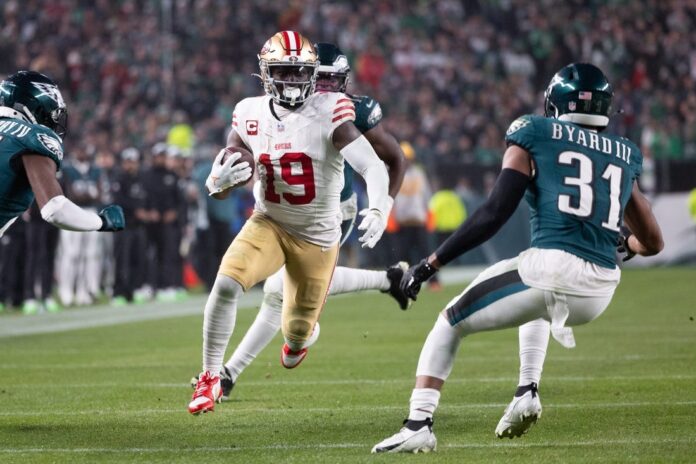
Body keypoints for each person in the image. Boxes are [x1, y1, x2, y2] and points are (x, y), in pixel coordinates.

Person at [372, 63, 664, 453]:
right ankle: (527, 390)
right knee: (534, 300)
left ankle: (418, 424)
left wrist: (430, 265)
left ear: (554, 102)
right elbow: (653, 241)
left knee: (450, 321)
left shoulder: (533, 131)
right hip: (600, 289)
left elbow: (494, 213)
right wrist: (628, 244)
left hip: (553, 268)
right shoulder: (624, 151)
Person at [188, 31, 392, 415]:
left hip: (317, 237)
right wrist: (217, 183)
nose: (293, 80)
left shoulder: (331, 110)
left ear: (313, 74)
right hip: (269, 222)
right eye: (284, 71)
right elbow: (222, 181)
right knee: (227, 282)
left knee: (296, 335)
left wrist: (380, 208)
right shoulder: (249, 113)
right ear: (266, 73)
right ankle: (210, 377)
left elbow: (373, 166)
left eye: (300, 72)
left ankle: (299, 340)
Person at [0, 71, 124, 254]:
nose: (53, 119)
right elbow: (55, 209)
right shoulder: (32, 135)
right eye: (52, 111)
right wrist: (102, 221)